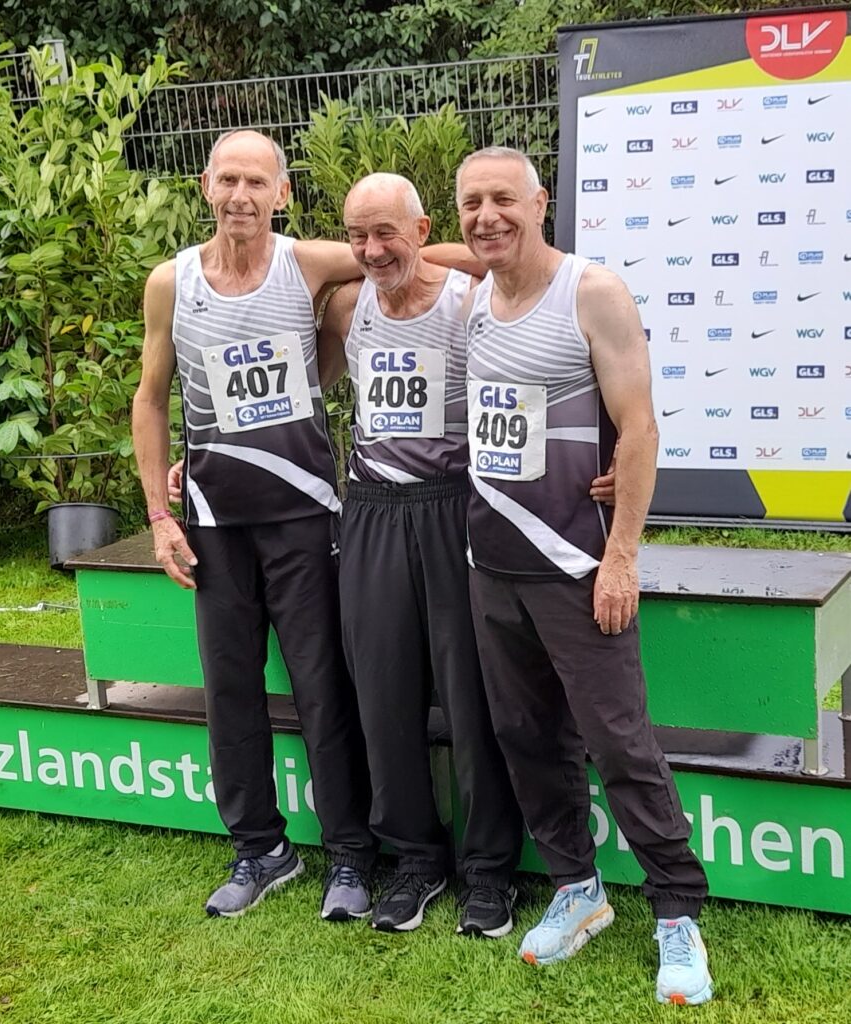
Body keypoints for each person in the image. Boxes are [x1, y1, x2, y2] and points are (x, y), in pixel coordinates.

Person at [133, 130, 467, 921]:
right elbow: (150, 399)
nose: (241, 195)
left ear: (281, 194)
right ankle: (260, 848)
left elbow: (408, 255)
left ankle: (350, 853)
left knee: (326, 688)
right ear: (206, 186)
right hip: (214, 520)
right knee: (231, 690)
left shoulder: (308, 262)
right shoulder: (170, 282)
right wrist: (157, 513)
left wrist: (519, 259)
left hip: (307, 516)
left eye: (257, 181)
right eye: (228, 180)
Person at [455, 147, 713, 1006]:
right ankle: (578, 888)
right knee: (527, 739)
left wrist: (622, 556)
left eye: (502, 200)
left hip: (578, 568)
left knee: (619, 744)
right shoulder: (474, 301)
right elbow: (404, 257)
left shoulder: (590, 292)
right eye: (469, 203)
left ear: (540, 203)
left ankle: (675, 909)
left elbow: (636, 429)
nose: (485, 216)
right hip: (491, 566)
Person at [315, 173, 524, 937]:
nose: (372, 250)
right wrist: (197, 457)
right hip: (370, 512)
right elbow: (305, 392)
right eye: (357, 235)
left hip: (453, 507)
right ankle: (412, 859)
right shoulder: (346, 304)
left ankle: (490, 871)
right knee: (382, 696)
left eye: (388, 234)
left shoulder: (470, 301)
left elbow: (544, 356)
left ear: (422, 227)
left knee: (471, 700)